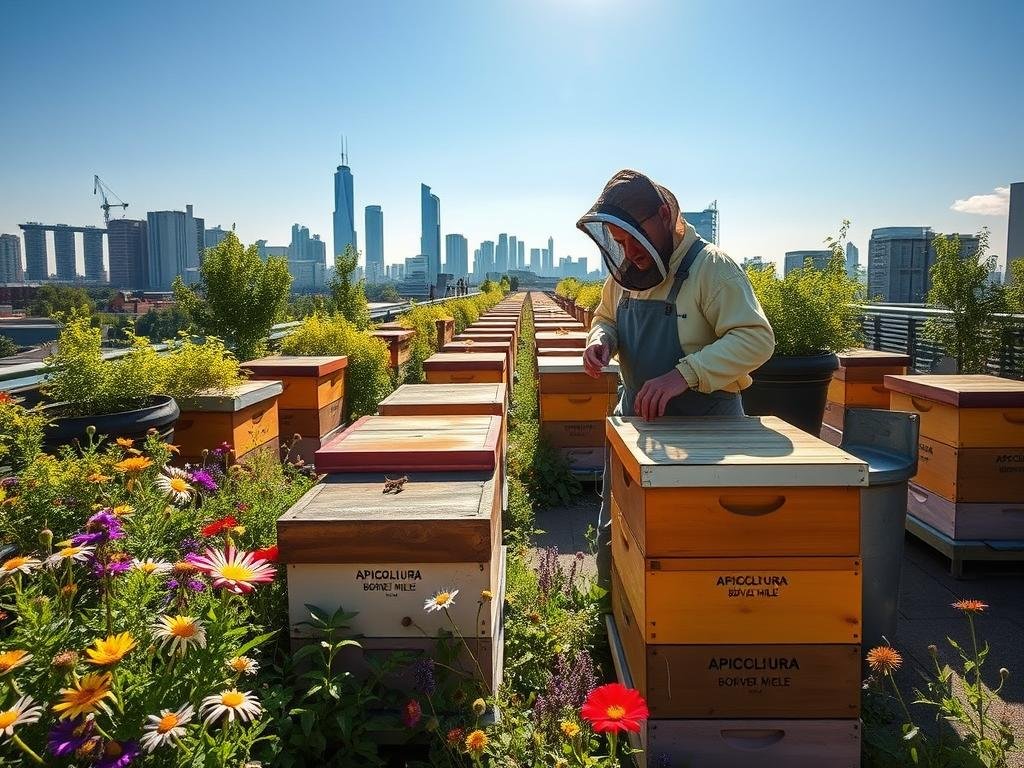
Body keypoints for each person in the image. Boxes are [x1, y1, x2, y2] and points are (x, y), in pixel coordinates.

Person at [576, 169, 775, 586]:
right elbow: (605, 317)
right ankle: (614, 614)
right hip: (638, 422)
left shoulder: (712, 268)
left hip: (710, 427)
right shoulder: (625, 276)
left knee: (701, 546)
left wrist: (685, 374)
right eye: (620, 243)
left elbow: (756, 339)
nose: (630, 252)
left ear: (664, 216)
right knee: (624, 531)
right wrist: (601, 341)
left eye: (634, 239)